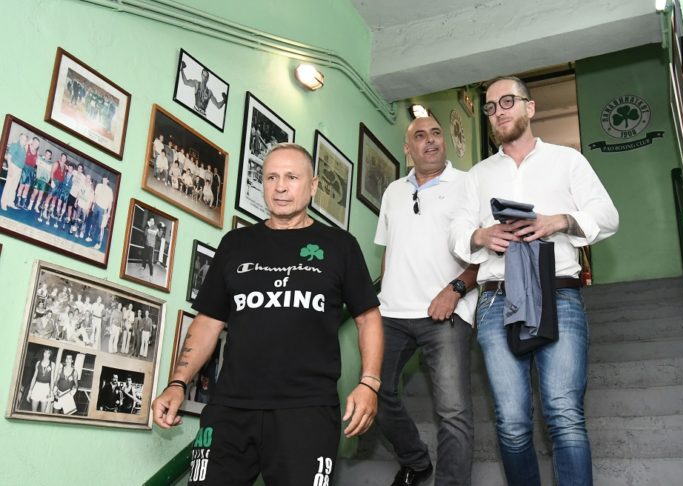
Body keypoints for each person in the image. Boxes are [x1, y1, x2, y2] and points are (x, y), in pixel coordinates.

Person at [151, 143, 383, 486]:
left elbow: (367, 317)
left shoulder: (340, 246)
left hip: (307, 411)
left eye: (292, 177)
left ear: (313, 186)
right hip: (230, 408)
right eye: (271, 177)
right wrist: (177, 383)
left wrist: (369, 383)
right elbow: (208, 322)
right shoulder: (235, 243)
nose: (280, 187)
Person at [449, 76, 619, 486]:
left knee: (564, 414)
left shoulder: (568, 161)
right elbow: (456, 232)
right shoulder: (476, 175)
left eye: (508, 101)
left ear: (530, 107)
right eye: (490, 107)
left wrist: (557, 221)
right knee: (511, 423)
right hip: (496, 302)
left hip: (558, 294)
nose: (498, 111)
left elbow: (608, 216)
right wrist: (481, 236)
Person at [374, 116, 479, 486]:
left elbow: (487, 252)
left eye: (436, 133)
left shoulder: (469, 184)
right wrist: (380, 299)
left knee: (453, 411)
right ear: (408, 149)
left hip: (446, 312)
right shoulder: (392, 192)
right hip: (391, 314)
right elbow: (390, 252)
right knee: (375, 391)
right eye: (420, 135)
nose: (431, 140)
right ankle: (416, 461)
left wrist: (456, 289)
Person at [1, 132, 27, 211]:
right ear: (20, 138)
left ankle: (10, 202)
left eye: (25, 139)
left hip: (19, 169)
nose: (24, 140)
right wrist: (10, 168)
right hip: (13, 167)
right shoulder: (15, 144)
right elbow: (9, 157)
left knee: (14, 187)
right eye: (23, 139)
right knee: (8, 185)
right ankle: (3, 202)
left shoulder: (24, 148)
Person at [26, 348, 55, 413]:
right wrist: (30, 391)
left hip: (46, 387)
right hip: (37, 386)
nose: (46, 354)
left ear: (50, 355)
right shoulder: (38, 363)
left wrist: (51, 392)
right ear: (43, 353)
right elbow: (34, 377)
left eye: (48, 353)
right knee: (33, 411)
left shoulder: (52, 364)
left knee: (43, 412)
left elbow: (52, 379)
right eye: (45, 352)